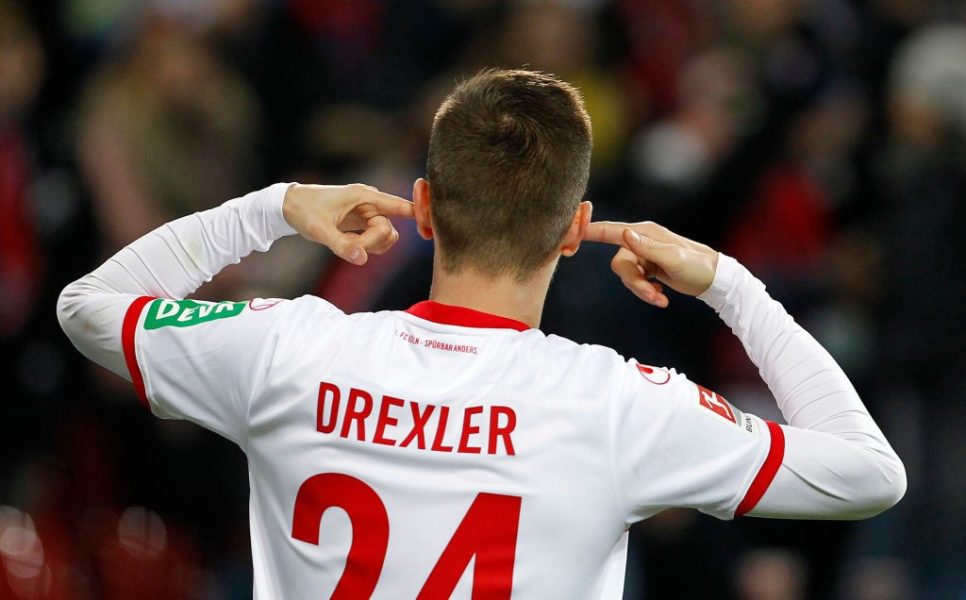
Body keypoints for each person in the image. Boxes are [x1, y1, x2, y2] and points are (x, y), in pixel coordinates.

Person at [57, 69, 905, 599]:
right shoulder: (614, 402)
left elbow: (89, 305)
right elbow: (869, 473)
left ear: (423, 207)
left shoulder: (292, 349)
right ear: (573, 230)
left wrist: (273, 208)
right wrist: (730, 285)